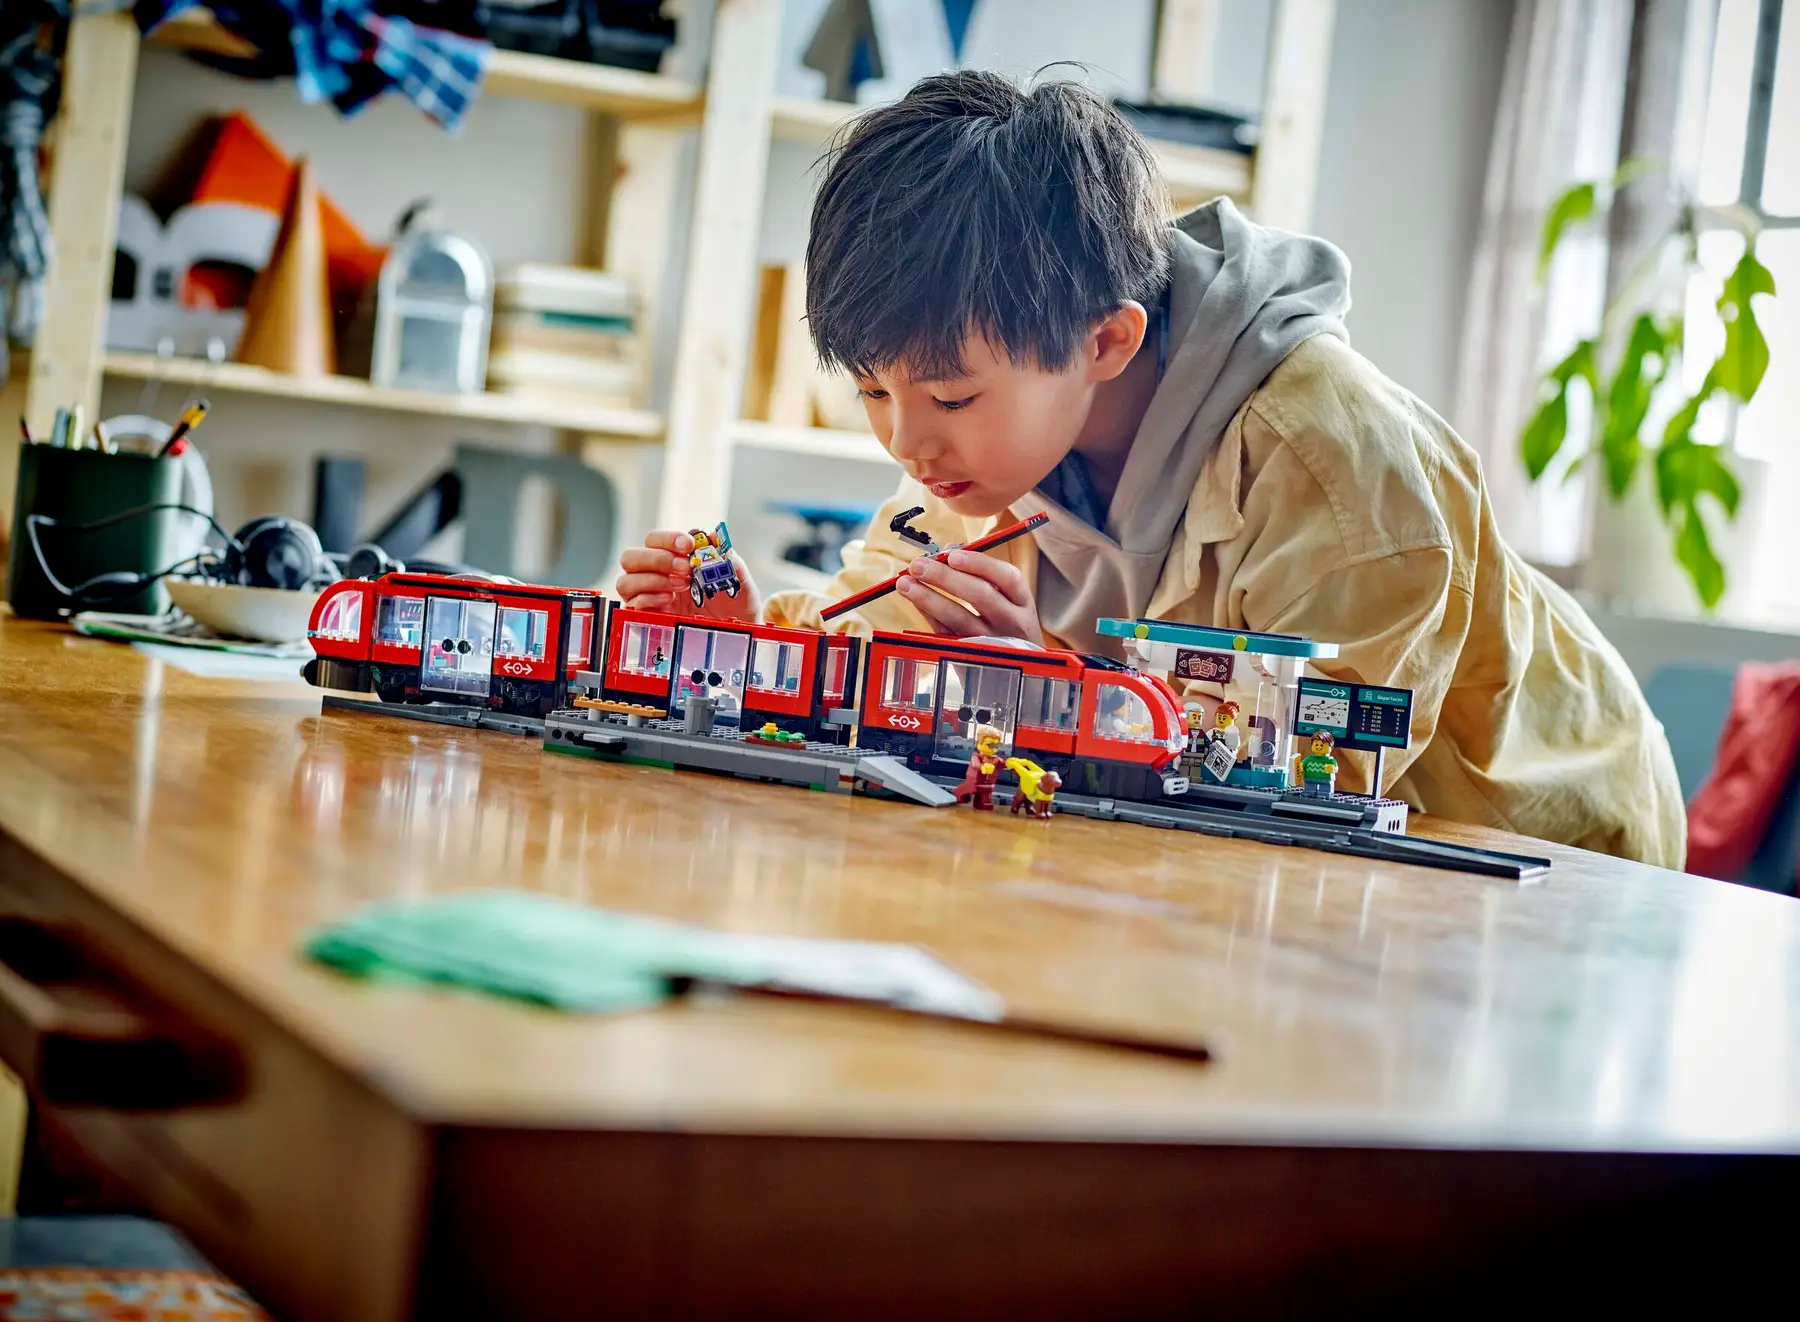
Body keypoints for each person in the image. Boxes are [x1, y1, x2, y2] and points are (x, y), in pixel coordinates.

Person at [614, 70, 1684, 867]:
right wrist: (749, 640)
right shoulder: (981, 446)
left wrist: (1043, 687)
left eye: (947, 397)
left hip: (1536, 848)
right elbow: (881, 636)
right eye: (871, 392)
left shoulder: (1334, 460)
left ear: (1106, 340)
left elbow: (1318, 776)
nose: (905, 442)